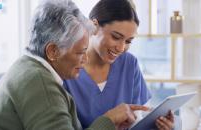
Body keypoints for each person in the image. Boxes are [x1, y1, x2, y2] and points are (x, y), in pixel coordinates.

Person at [0, 0, 149, 130]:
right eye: (80, 52)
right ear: (53, 51)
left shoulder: (27, 67)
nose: (85, 60)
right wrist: (109, 120)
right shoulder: (40, 84)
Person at [63, 0, 176, 129]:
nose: (121, 48)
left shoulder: (129, 64)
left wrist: (159, 126)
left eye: (128, 41)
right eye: (116, 37)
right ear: (94, 26)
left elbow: (136, 122)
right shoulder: (66, 67)